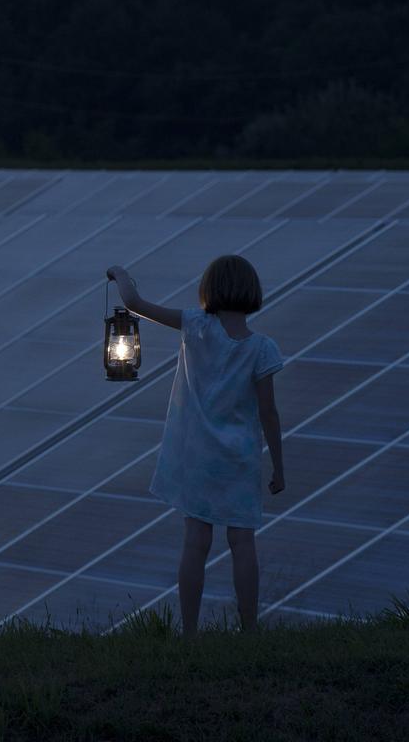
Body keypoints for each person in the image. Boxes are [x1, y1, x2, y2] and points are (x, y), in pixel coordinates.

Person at [106, 255, 285, 640]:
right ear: (252, 292)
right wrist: (279, 468)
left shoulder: (196, 327)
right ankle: (250, 630)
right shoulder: (262, 348)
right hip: (239, 459)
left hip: (198, 457)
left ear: (210, 290)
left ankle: (189, 633)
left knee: (196, 541)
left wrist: (120, 275)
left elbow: (136, 305)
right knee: (242, 542)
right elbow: (269, 414)